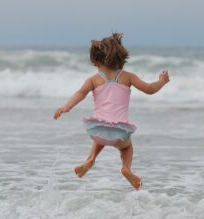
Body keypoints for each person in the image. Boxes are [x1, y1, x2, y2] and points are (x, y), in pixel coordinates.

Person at [54, 33, 170, 190]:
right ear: (121, 59)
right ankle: (126, 168)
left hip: (98, 130)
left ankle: (90, 159)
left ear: (96, 62)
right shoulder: (128, 77)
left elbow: (81, 93)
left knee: (102, 133)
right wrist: (162, 81)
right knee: (126, 147)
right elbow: (149, 89)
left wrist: (65, 107)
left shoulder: (93, 79)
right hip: (119, 132)